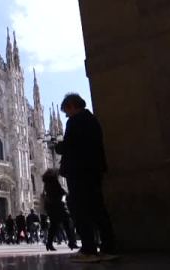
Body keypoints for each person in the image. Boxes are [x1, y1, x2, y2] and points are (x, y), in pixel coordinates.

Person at [56, 93, 117, 263]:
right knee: (98, 209)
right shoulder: (93, 120)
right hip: (94, 170)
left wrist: (59, 146)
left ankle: (89, 250)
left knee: (80, 210)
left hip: (79, 171)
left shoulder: (75, 121)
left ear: (72, 106)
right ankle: (109, 248)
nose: (67, 115)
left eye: (66, 111)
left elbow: (70, 145)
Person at [42, 169, 78, 252]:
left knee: (53, 227)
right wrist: (65, 192)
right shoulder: (54, 181)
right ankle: (71, 243)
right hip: (59, 206)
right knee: (67, 225)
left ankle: (49, 244)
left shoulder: (46, 183)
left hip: (52, 208)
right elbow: (61, 192)